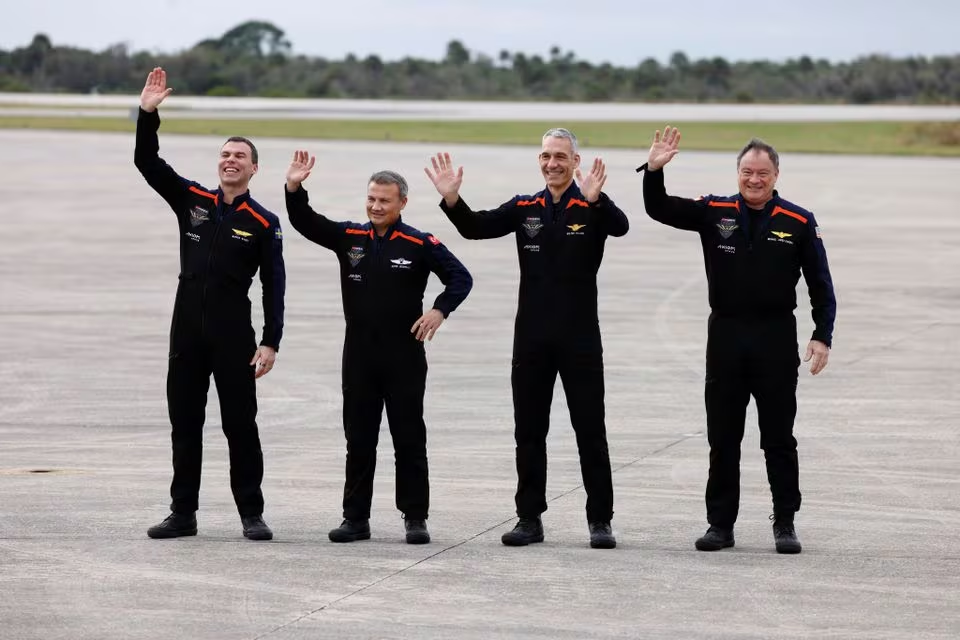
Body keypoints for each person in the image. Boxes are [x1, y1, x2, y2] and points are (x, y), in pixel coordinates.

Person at [424, 128, 629, 549]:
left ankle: (600, 520)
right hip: (532, 337)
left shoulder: (590, 204)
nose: (552, 163)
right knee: (529, 431)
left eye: (560, 156)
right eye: (545, 156)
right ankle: (529, 518)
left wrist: (596, 200)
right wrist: (451, 200)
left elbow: (621, 227)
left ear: (575, 161)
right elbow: (476, 228)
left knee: (590, 429)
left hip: (580, 338)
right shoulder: (525, 208)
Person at [638, 127, 836, 554]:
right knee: (723, 436)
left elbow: (821, 285)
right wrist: (653, 171)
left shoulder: (799, 221)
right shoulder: (715, 211)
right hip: (726, 337)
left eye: (763, 173)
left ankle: (784, 522)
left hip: (775, 338)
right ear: (738, 173)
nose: (754, 180)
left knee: (778, 437)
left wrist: (822, 335)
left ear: (776, 174)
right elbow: (659, 209)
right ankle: (720, 525)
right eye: (747, 172)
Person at [284, 150, 472, 545]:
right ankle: (355, 518)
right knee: (359, 439)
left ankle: (415, 518)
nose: (375, 206)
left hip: (404, 355)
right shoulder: (350, 238)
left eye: (384, 200)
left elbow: (460, 278)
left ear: (402, 203)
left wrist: (439, 311)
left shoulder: (419, 243)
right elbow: (306, 222)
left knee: (408, 439)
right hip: (359, 356)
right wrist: (294, 188)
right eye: (371, 198)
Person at [134, 68, 285, 541]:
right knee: (185, 423)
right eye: (225, 155)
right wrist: (147, 114)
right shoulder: (193, 200)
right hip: (187, 332)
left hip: (232, 334)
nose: (230, 161)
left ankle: (251, 513)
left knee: (240, 425)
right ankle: (183, 513)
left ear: (254, 168)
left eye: (240, 156)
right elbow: (147, 162)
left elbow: (274, 284)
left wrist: (270, 340)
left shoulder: (263, 221)